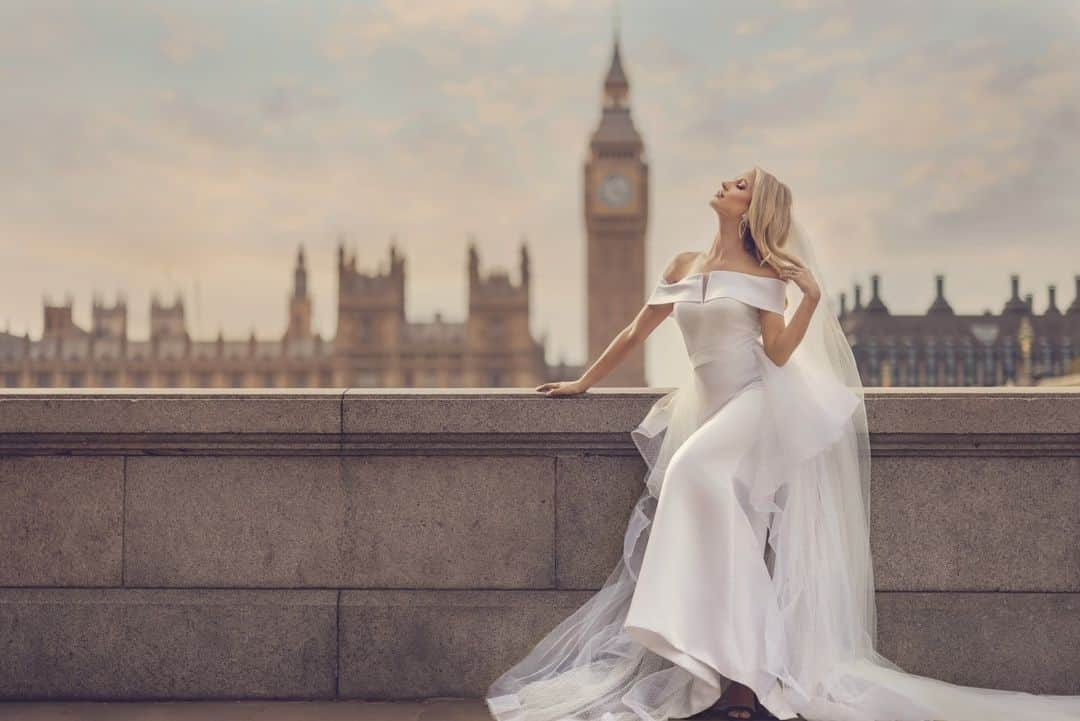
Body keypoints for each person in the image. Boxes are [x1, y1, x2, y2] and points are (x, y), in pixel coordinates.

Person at [484, 166, 1080, 721]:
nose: (726, 184)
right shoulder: (682, 264)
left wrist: (812, 299)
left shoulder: (768, 275)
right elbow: (637, 328)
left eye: (739, 184)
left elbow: (778, 354)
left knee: (691, 476)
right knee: (729, 532)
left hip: (752, 407)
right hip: (707, 408)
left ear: (752, 208)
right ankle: (738, 679)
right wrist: (583, 382)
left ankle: (731, 665)